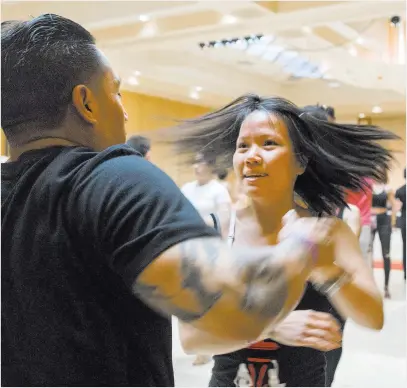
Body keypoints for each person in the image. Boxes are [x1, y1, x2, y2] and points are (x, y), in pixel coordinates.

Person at [1, 15, 342, 387]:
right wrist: (300, 247)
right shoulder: (120, 179)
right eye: (115, 92)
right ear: (86, 102)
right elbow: (229, 313)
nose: (125, 110)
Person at [170, 94, 396, 387]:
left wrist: (326, 270)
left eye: (268, 143)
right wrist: (270, 326)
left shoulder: (329, 231)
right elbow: (191, 338)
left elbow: (373, 318)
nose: (251, 155)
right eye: (243, 146)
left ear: (300, 162)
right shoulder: (213, 232)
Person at [181, 152, 232, 221]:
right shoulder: (186, 188)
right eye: (195, 162)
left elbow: (224, 220)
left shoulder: (220, 190)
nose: (196, 166)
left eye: (200, 162)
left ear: (211, 166)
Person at [371, 172, 397, 298]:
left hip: (384, 221)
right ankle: (369, 287)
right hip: (370, 220)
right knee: (367, 254)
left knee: (386, 253)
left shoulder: (388, 189)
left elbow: (394, 206)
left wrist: (393, 222)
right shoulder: (368, 187)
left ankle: (386, 287)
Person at [395, 168, 406, 281]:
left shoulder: (400, 191)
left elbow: (397, 208)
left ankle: (405, 272)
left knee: (405, 246)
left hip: (404, 220)